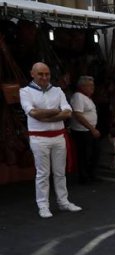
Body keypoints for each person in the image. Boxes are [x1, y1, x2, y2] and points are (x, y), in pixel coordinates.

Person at [20, 62, 82, 218]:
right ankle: (43, 205)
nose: (44, 77)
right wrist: (55, 111)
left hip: (58, 137)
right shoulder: (25, 91)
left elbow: (68, 112)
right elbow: (33, 113)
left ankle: (63, 202)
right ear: (32, 74)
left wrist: (46, 115)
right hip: (39, 138)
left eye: (47, 74)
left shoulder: (58, 90)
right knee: (42, 174)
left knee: (60, 173)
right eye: (40, 74)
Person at [70, 76, 101, 185]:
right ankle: (84, 176)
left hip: (89, 130)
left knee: (94, 152)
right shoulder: (78, 96)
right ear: (82, 86)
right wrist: (92, 129)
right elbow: (78, 115)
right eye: (90, 85)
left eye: (93, 85)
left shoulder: (87, 97)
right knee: (84, 154)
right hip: (82, 131)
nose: (93, 88)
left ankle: (91, 174)